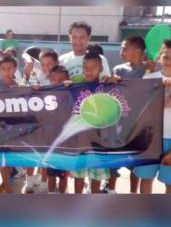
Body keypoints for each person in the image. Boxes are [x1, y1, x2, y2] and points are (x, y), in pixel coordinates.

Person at [106, 36, 147, 194]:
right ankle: (110, 190)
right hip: (118, 122)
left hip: (139, 124)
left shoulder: (149, 69)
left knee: (135, 162)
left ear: (137, 51)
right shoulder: (118, 69)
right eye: (121, 48)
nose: (121, 51)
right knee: (113, 159)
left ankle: (132, 193)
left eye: (125, 48)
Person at [134, 40, 171, 194]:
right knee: (146, 178)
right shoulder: (149, 79)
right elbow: (139, 109)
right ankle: (146, 213)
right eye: (166, 57)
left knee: (170, 184)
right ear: (159, 57)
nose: (169, 62)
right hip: (150, 138)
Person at [73, 51, 111, 193]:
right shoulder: (75, 86)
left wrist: (116, 80)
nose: (89, 71)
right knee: (79, 175)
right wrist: (66, 85)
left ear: (100, 69)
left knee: (97, 175)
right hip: (81, 139)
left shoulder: (107, 86)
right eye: (86, 67)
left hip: (99, 140)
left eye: (93, 67)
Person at [24, 49, 59, 194]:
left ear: (57, 63)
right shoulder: (37, 77)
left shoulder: (61, 77)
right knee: (32, 153)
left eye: (49, 64)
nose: (46, 68)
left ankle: (44, 182)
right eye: (43, 64)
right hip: (36, 124)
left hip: (54, 125)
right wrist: (32, 86)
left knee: (47, 155)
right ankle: (29, 181)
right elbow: (24, 89)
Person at [0, 54, 19, 193]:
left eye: (10, 68)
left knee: (11, 159)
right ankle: (6, 185)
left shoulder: (20, 85)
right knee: (2, 158)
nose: (7, 71)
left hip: (16, 129)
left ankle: (6, 182)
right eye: (3, 68)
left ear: (15, 69)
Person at [47, 66, 71, 194]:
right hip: (51, 145)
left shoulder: (70, 92)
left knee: (63, 177)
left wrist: (71, 86)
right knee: (50, 175)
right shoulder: (44, 94)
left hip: (66, 146)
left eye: (61, 80)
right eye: (54, 79)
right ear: (49, 80)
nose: (57, 82)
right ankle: (51, 196)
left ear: (68, 80)